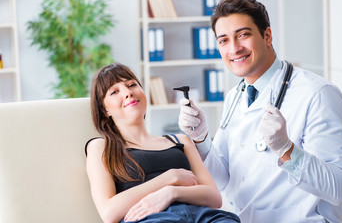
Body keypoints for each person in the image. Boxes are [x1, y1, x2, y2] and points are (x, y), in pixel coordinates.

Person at [178, 0, 342, 223]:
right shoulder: (236, 95)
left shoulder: (318, 94)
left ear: (267, 36)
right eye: (223, 40)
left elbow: (340, 188)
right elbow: (223, 179)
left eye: (243, 35)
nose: (234, 48)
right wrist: (200, 138)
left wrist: (286, 149)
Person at [85, 63, 240, 223]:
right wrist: (170, 178)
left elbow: (214, 197)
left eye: (132, 85)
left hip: (204, 217)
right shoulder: (101, 147)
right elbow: (109, 213)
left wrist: (171, 192)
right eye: (114, 92)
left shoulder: (181, 140)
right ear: (105, 110)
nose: (128, 93)